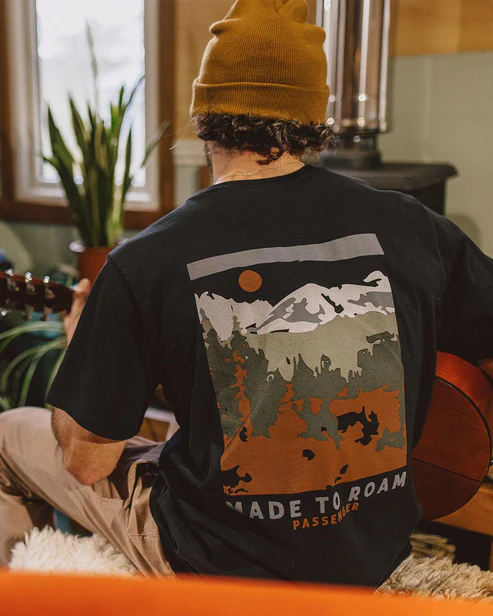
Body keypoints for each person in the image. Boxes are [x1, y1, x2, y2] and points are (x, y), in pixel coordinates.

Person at [1, 0, 493, 586]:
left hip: (218, 563)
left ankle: (32, 588)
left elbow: (87, 461)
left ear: (204, 117)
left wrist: (79, 347)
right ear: (313, 117)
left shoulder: (146, 260)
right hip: (371, 557)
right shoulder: (413, 225)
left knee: (7, 435)